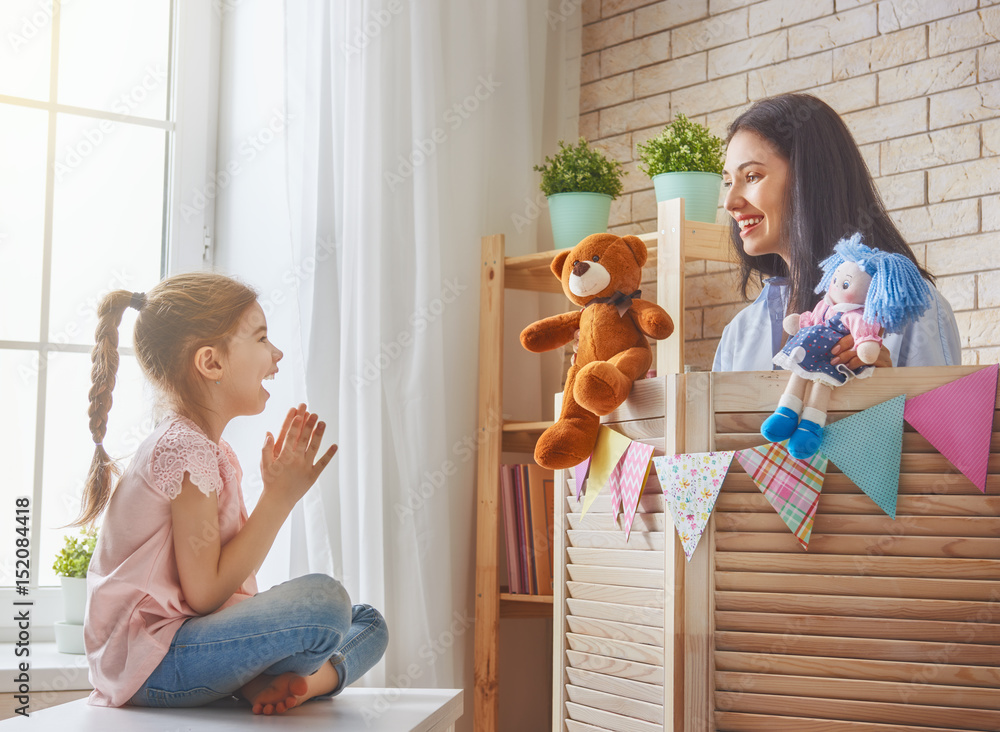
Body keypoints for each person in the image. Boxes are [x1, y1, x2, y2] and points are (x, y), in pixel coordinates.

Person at [77, 272, 388, 714]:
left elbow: (214, 595)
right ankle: (297, 679)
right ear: (211, 363)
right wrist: (279, 497)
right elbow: (206, 594)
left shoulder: (207, 448)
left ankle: (287, 683)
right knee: (325, 603)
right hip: (155, 662)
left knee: (368, 622)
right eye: (262, 338)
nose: (276, 354)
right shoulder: (183, 449)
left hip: (187, 646)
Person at [712, 93, 961, 373]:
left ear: (812, 179)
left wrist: (884, 389)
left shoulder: (912, 307)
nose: (730, 203)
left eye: (752, 177)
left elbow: (945, 416)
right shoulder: (739, 333)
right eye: (729, 182)